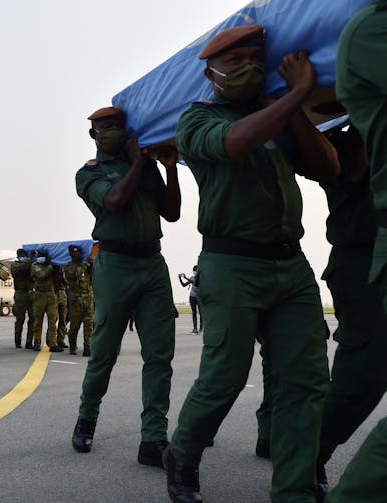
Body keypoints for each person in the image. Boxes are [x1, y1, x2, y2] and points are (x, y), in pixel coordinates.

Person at [164, 25, 339, 503]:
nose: (247, 69)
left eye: (255, 60)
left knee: (305, 381)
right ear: (211, 73)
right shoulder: (196, 119)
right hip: (231, 264)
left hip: (291, 266)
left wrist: (295, 112)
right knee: (225, 375)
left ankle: (295, 486)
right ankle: (182, 452)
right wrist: (297, 93)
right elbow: (235, 142)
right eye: (235, 61)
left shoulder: (276, 116)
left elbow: (328, 168)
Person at [72, 105, 180, 472]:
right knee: (104, 350)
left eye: (118, 125)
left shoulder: (148, 166)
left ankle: (153, 438)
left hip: (152, 263)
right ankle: (87, 418)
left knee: (160, 354)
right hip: (115, 266)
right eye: (106, 127)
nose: (113, 131)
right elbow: (115, 201)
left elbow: (173, 213)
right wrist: (137, 162)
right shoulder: (88, 174)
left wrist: (167, 168)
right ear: (93, 135)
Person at [325, 4, 387, 501]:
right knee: (360, 376)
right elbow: (346, 173)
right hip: (360, 261)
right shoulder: (334, 140)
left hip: (370, 256)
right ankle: (304, 458)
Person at [63, 245, 94, 356]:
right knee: (74, 326)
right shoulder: (68, 267)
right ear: (71, 255)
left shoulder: (88, 266)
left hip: (88, 299)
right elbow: (76, 274)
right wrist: (86, 263)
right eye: (75, 253)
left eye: (79, 253)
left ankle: (87, 347)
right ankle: (72, 346)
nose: (77, 255)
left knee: (89, 325)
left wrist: (92, 263)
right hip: (75, 300)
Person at [30, 250, 61, 352]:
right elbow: (41, 275)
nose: (40, 258)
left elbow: (59, 280)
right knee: (38, 321)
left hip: (51, 295)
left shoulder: (51, 267)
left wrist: (57, 268)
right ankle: (36, 343)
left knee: (52, 321)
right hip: (39, 295)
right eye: (40, 256)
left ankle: (53, 344)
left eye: (43, 256)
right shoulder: (35, 266)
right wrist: (51, 266)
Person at [11, 248, 35, 349]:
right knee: (20, 319)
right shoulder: (15, 265)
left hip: (31, 294)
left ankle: (29, 342)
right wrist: (30, 260)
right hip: (20, 294)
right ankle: (18, 341)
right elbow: (20, 270)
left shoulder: (31, 264)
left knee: (32, 319)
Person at [178, 266, 202, 334]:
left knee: (201, 313)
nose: (194, 272)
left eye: (195, 270)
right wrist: (180, 279)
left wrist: (185, 277)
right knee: (194, 313)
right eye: (194, 270)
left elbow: (194, 282)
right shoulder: (191, 277)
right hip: (192, 297)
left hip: (199, 297)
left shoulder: (201, 278)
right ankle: (195, 329)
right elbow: (184, 285)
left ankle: (201, 329)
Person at [53, 264, 69, 349]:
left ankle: (60, 340)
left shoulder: (64, 270)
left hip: (62, 293)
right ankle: (51, 340)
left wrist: (62, 273)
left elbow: (67, 282)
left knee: (63, 319)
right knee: (53, 319)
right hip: (53, 293)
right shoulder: (51, 268)